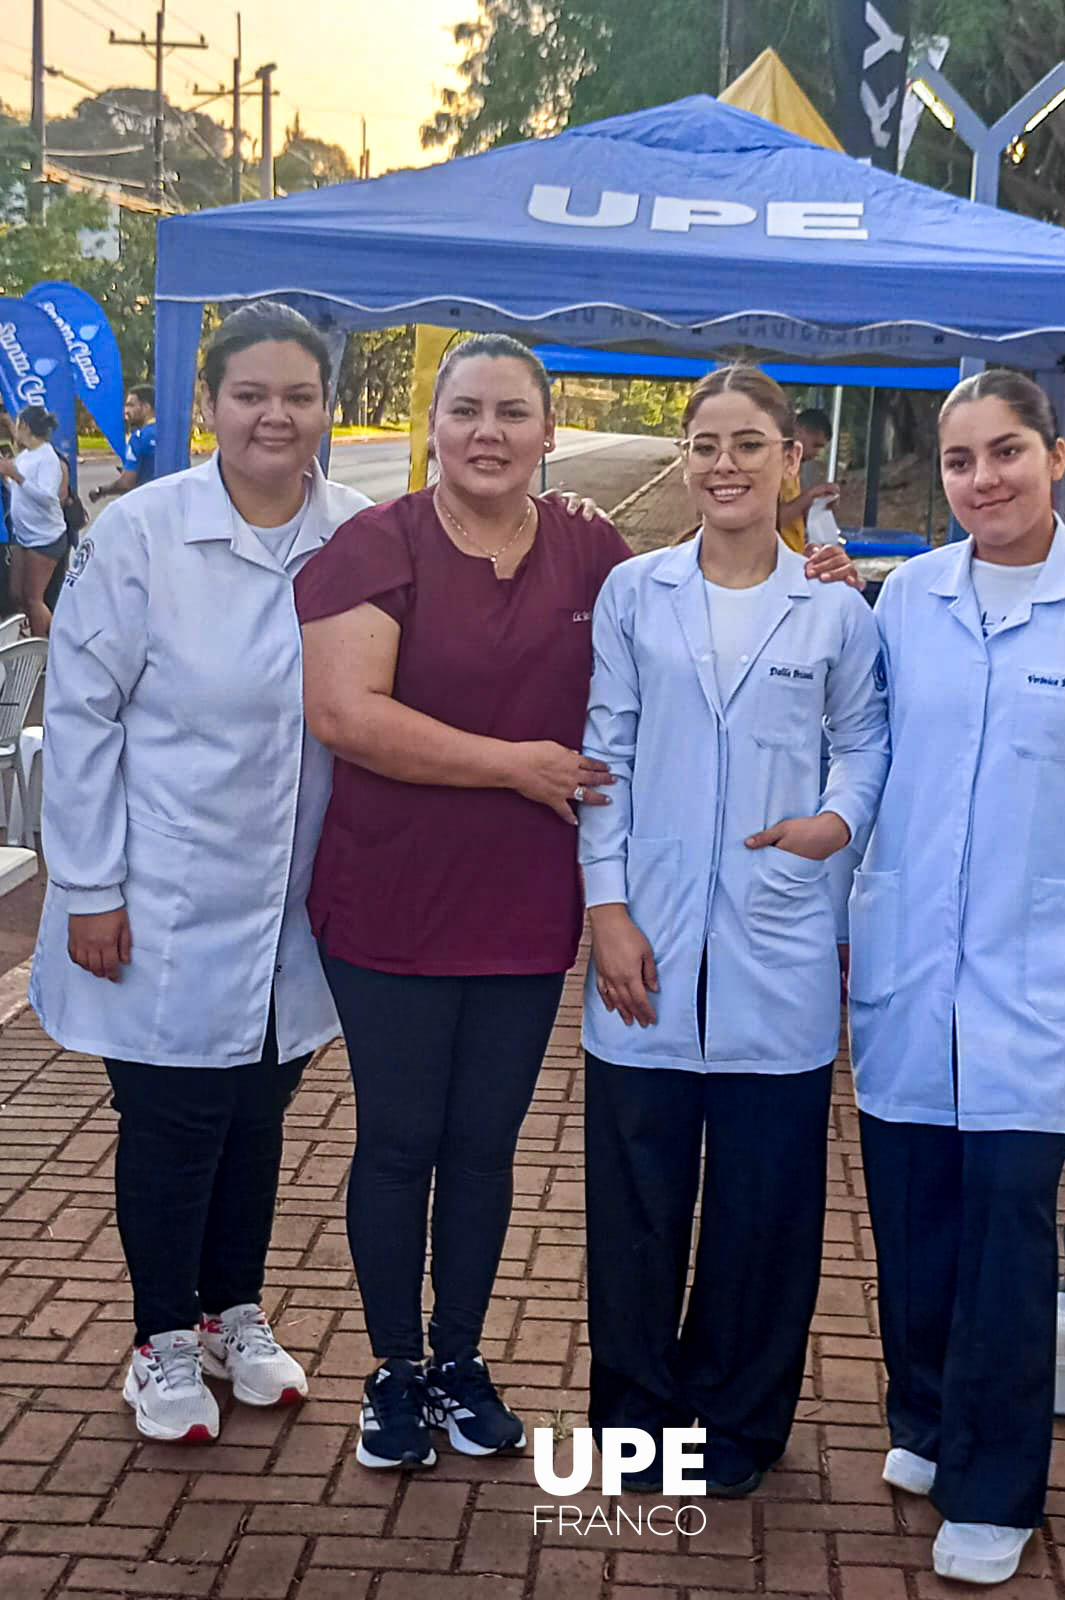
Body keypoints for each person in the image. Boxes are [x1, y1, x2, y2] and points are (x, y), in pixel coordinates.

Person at [297, 337, 860, 1474]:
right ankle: (401, 1373)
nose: (487, 432)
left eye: (512, 411)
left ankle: (465, 1363)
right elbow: (353, 716)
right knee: (407, 1141)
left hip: (522, 911)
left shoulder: (606, 555)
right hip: (402, 899)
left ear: (550, 431)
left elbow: (820, 701)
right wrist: (537, 800)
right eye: (465, 411)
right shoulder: (391, 546)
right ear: (437, 425)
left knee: (490, 1147)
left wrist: (826, 581)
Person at [847, 368, 1065, 1586]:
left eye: (1006, 452)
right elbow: (870, 755)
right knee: (910, 1205)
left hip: (1043, 970)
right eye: (960, 461)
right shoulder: (909, 599)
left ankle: (994, 1487)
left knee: (1003, 1221)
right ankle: (928, 1416)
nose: (983, 479)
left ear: (1054, 457)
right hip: (908, 962)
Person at [29, 301, 372, 1444]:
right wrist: (89, 887)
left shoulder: (362, 533)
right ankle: (158, 1336)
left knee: (260, 1109)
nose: (275, 415)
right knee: (174, 1116)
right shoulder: (140, 535)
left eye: (298, 395)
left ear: (327, 407)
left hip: (297, 901)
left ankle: (233, 1311)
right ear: (210, 405)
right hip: (161, 894)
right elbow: (80, 715)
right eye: (250, 393)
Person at [578, 365, 889, 1498]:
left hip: (777, 938)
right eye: (705, 443)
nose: (724, 464)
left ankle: (737, 1424)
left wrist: (834, 821)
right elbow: (599, 754)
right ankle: (636, 1420)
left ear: (790, 458)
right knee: (636, 1208)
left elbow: (866, 741)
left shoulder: (834, 607)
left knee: (764, 1211)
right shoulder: (635, 594)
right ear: (685, 457)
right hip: (647, 939)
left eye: (748, 443)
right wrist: (604, 908)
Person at [0, 406, 69, 636]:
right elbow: (18, 489)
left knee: (33, 598)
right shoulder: (26, 455)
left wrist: (17, 476)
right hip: (24, 535)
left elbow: (48, 498)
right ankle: (26, 634)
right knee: (17, 593)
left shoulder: (48, 457)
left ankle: (44, 648)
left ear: (25, 427)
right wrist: (8, 475)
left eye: (16, 424)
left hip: (45, 538)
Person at [777, 406, 839, 552]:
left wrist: (820, 506)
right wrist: (811, 495)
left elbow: (795, 516)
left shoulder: (795, 469)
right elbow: (774, 519)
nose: (816, 453)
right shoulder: (774, 466)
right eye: (815, 445)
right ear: (798, 430)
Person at [90, 384, 157, 502]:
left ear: (146, 407)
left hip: (145, 504)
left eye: (131, 405)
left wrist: (101, 491)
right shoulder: (169, 433)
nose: (126, 411)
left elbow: (126, 483)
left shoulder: (139, 438)